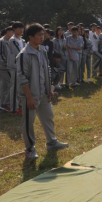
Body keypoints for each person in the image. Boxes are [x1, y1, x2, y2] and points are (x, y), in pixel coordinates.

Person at [17, 24, 68, 160]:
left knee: (48, 116)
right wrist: (29, 98)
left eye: (43, 34)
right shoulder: (24, 55)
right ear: (30, 37)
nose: (42, 37)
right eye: (39, 34)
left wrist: (50, 88)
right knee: (29, 122)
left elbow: (47, 69)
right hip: (30, 94)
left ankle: (52, 142)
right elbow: (22, 78)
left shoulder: (42, 50)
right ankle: (30, 148)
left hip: (44, 92)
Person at [7, 22, 25, 116]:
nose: (21, 30)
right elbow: (19, 53)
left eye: (22, 28)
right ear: (14, 29)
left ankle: (19, 106)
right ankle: (13, 109)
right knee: (14, 89)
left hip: (22, 67)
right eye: (19, 28)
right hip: (15, 67)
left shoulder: (23, 40)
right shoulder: (12, 40)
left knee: (21, 88)